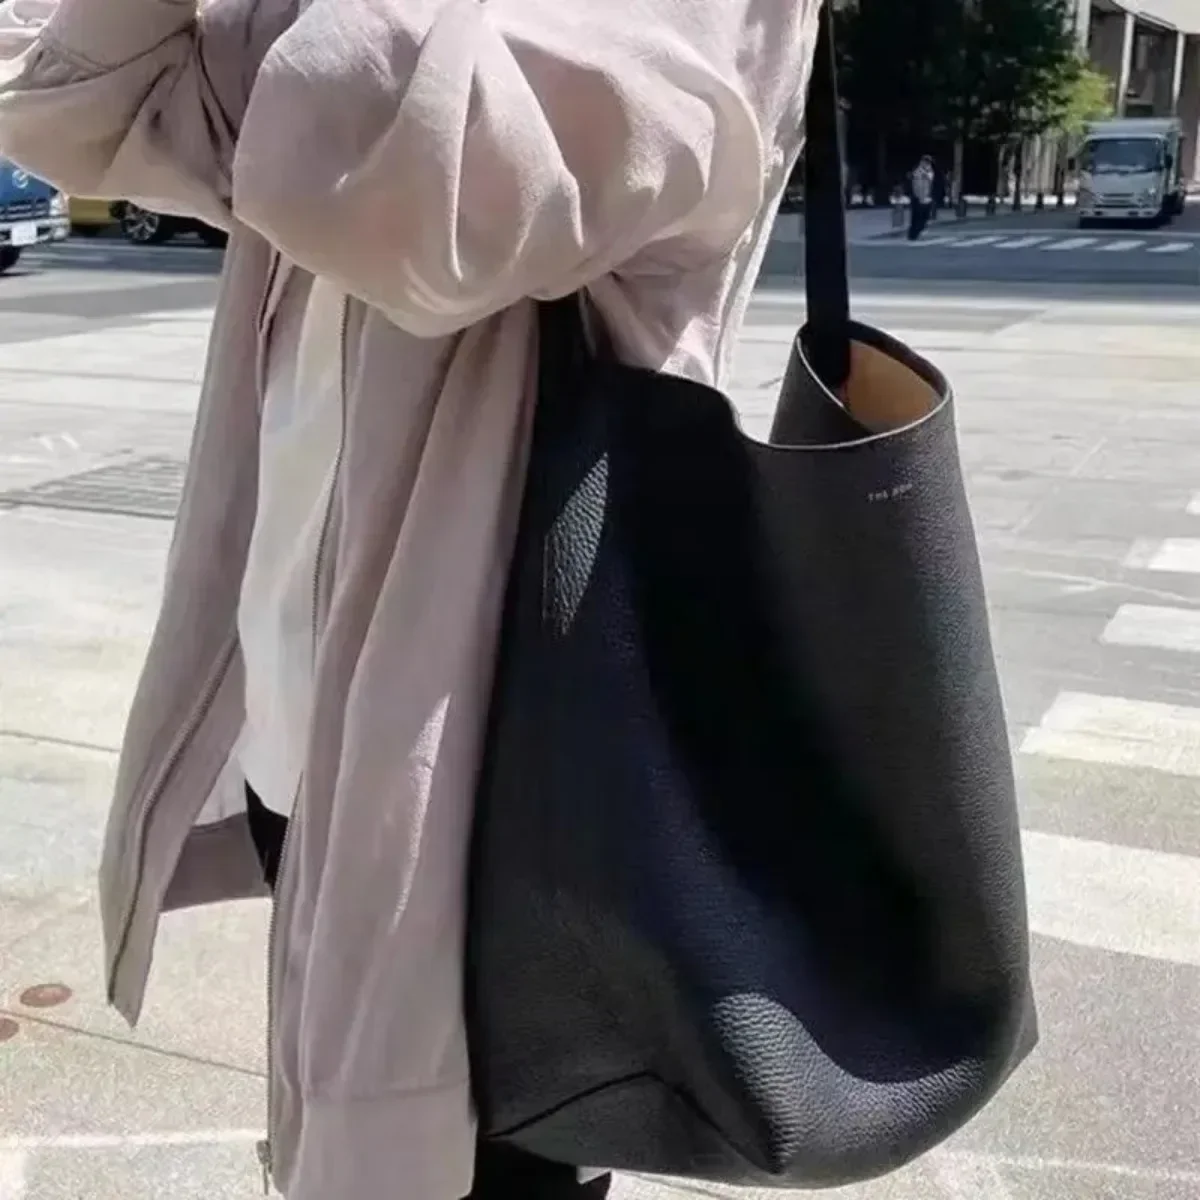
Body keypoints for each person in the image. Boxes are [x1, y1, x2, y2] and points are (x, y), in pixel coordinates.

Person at [0, 0, 821, 1196]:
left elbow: (423, 186)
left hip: (510, 778)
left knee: (463, 1158)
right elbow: (70, 102)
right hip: (314, 732)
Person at [908, 154, 936, 240]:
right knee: (916, 217)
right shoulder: (917, 171)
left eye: (929, 162)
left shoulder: (930, 171)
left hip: (926, 198)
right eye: (926, 161)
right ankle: (913, 235)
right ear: (922, 161)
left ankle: (916, 232)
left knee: (924, 218)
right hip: (917, 197)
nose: (927, 163)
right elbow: (915, 184)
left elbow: (931, 183)